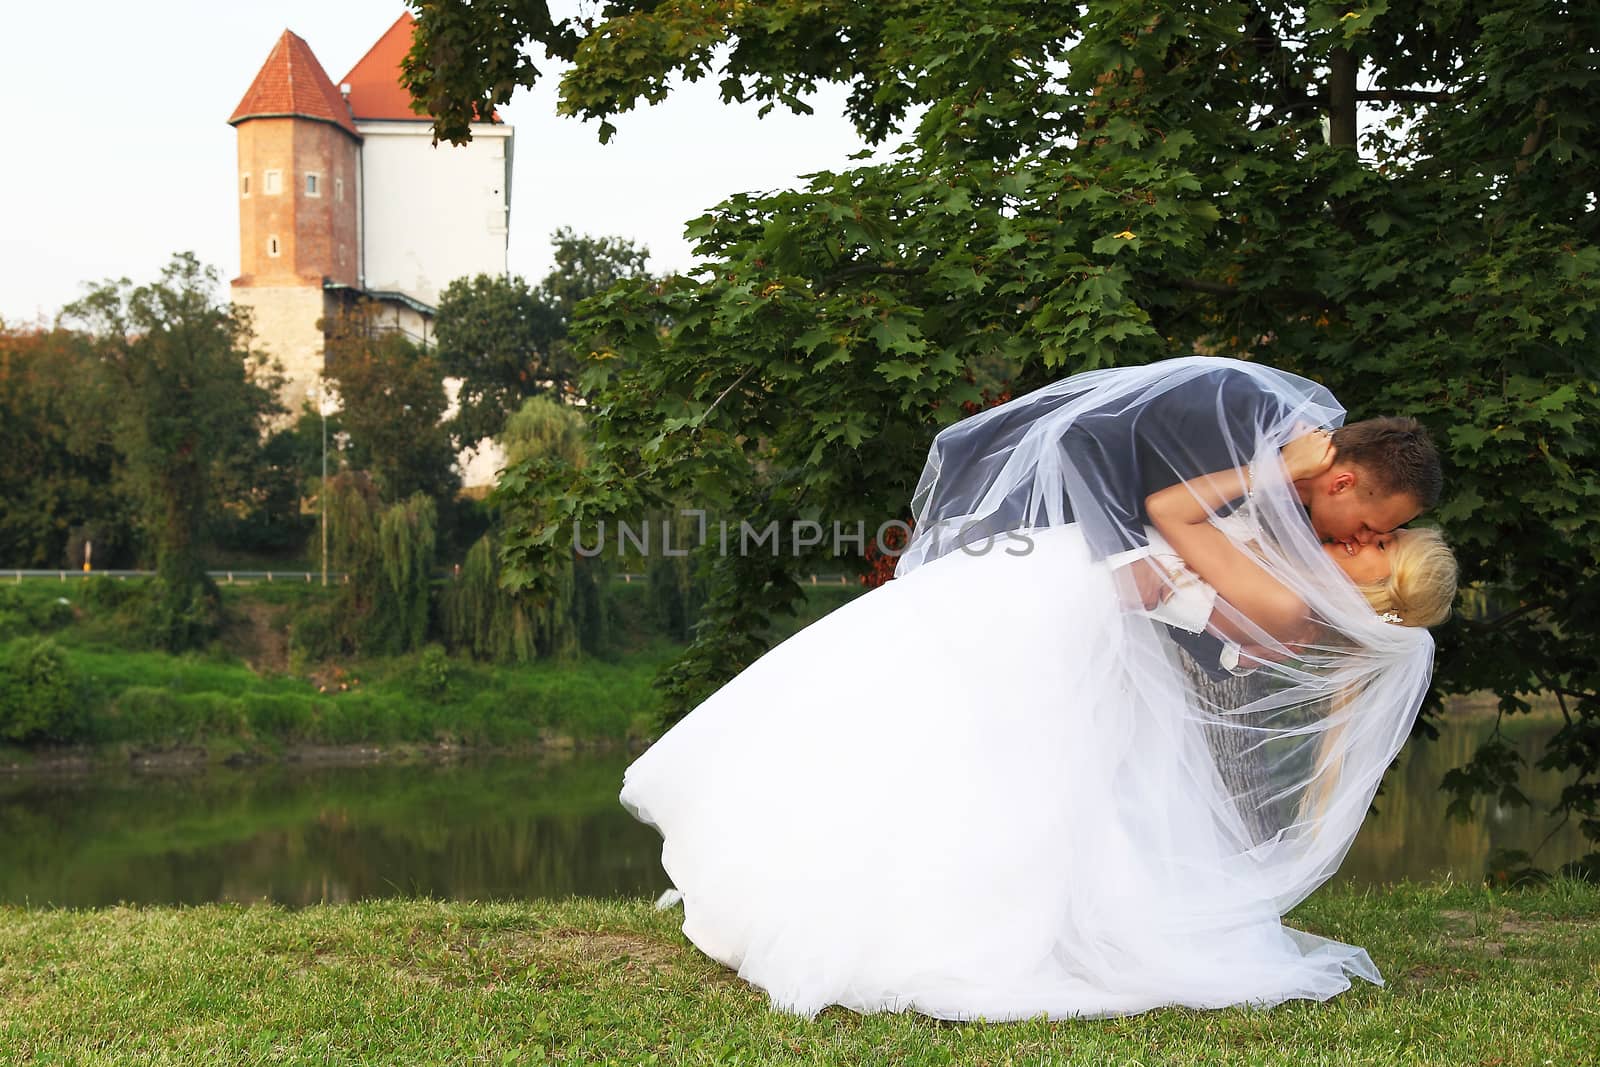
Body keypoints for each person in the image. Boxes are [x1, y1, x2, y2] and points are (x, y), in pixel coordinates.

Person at [620, 356, 1458, 1021]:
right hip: (1064, 592)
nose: (1372, 537)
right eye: (1379, 526)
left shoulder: (1291, 598)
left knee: (961, 745)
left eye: (1385, 543)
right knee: (925, 722)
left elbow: (1172, 513)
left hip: (1067, 605)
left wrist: (1270, 468)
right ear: (1348, 485)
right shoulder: (1290, 556)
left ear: (1380, 585)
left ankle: (892, 910)